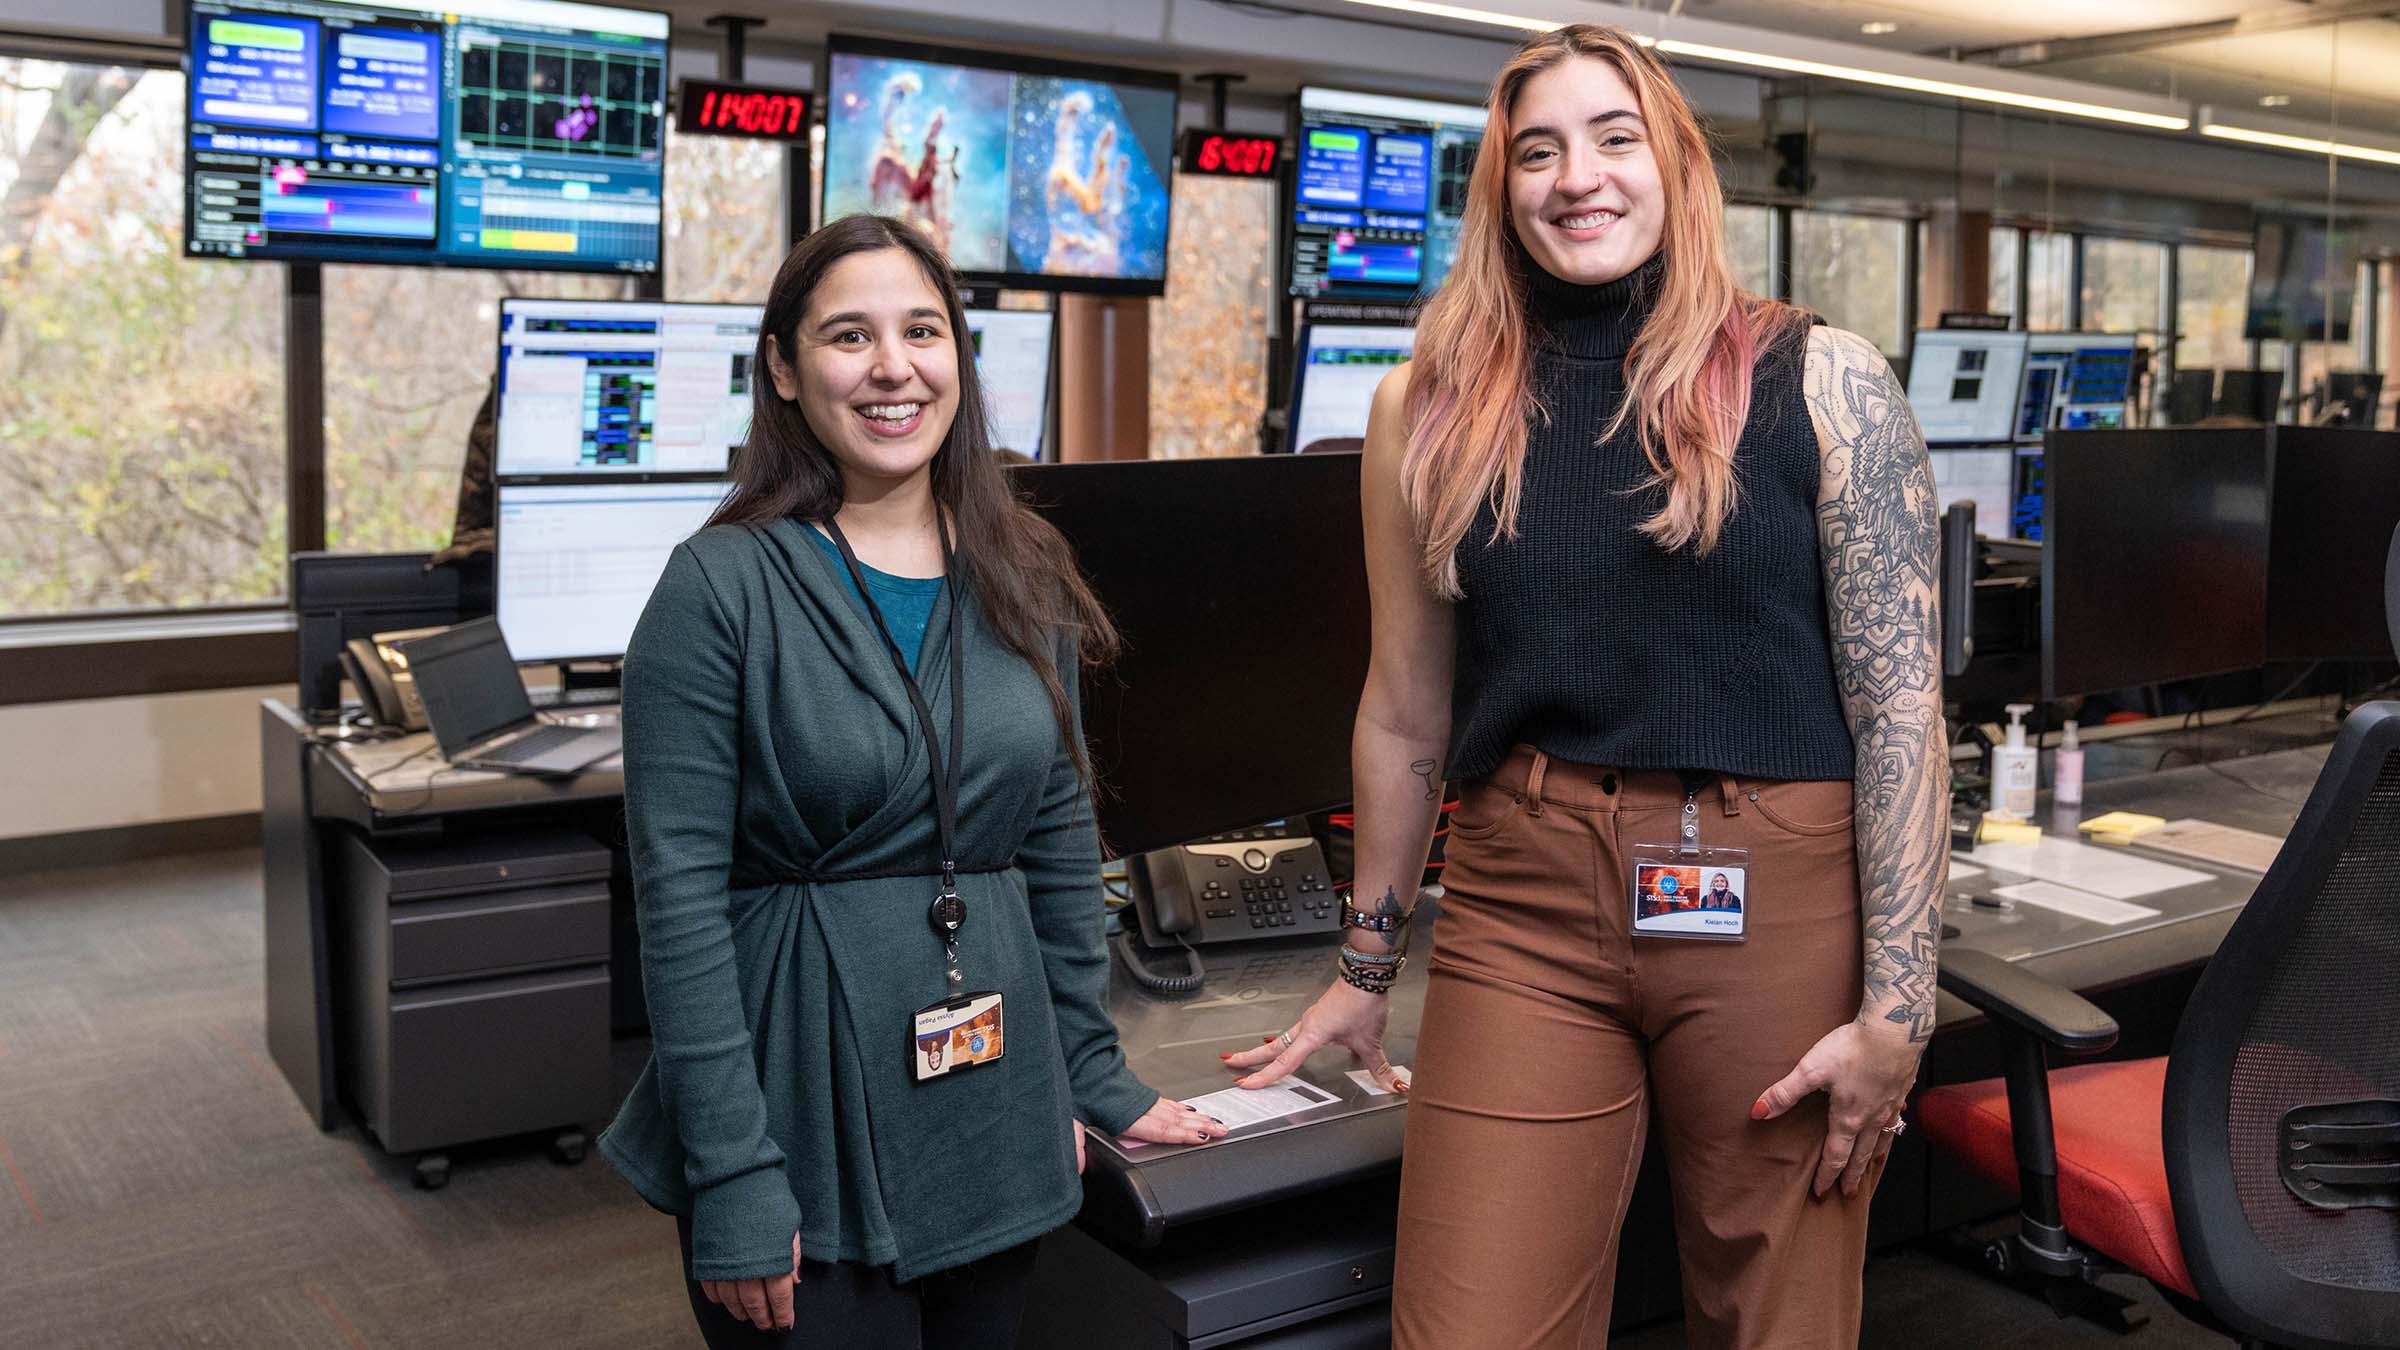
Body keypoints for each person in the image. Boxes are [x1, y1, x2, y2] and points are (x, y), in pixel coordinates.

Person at [1225, 23, 1946, 1349]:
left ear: (1674, 164)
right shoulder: (1428, 407)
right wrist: (1365, 960)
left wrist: (1902, 1004)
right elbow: (1402, 708)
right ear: (1500, 189)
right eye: (1538, 151)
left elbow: (1903, 708)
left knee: (1774, 1319)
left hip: (1770, 888)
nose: (1579, 176)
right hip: (1524, 895)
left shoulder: (1821, 377)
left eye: (1615, 138)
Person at [599, 213, 1225, 1349]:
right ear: (785, 370)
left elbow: (1056, 832)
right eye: (849, 336)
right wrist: (732, 1175)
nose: (893, 367)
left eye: (922, 331)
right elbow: (677, 909)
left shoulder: (1021, 567)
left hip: (989, 1097)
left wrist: (1085, 1070)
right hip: (802, 1100)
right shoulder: (718, 589)